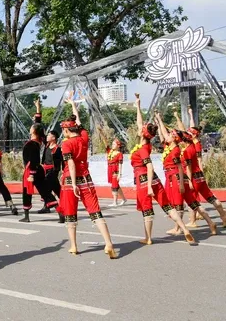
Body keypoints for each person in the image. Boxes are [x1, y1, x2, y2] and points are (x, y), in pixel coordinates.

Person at [131, 95, 195, 245]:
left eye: (141, 129)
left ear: (143, 133)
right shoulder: (145, 145)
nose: (139, 128)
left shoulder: (143, 149)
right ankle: (185, 229)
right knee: (167, 206)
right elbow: (139, 122)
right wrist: (138, 106)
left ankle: (148, 238)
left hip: (144, 179)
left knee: (147, 210)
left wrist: (148, 188)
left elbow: (149, 166)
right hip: (155, 179)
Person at [59, 98, 117, 258]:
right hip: (87, 178)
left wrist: (73, 183)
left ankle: (73, 245)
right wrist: (73, 105)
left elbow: (70, 164)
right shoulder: (83, 138)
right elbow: (79, 122)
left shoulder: (66, 144)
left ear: (66, 131)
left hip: (72, 181)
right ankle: (108, 242)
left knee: (70, 213)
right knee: (95, 211)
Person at [154, 113, 217, 236]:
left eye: (171, 135)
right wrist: (159, 121)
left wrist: (182, 184)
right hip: (176, 177)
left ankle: (177, 228)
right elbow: (163, 132)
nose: (168, 135)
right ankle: (210, 222)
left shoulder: (175, 150)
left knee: (179, 204)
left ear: (175, 139)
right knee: (194, 204)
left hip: (177, 178)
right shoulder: (169, 146)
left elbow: (180, 168)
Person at [174, 110, 226, 228]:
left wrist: (189, 181)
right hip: (199, 175)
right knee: (210, 197)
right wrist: (183, 115)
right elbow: (184, 131)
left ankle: (193, 221)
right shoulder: (194, 144)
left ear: (192, 135)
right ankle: (223, 215)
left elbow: (191, 166)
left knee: (192, 200)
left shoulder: (189, 149)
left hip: (193, 176)